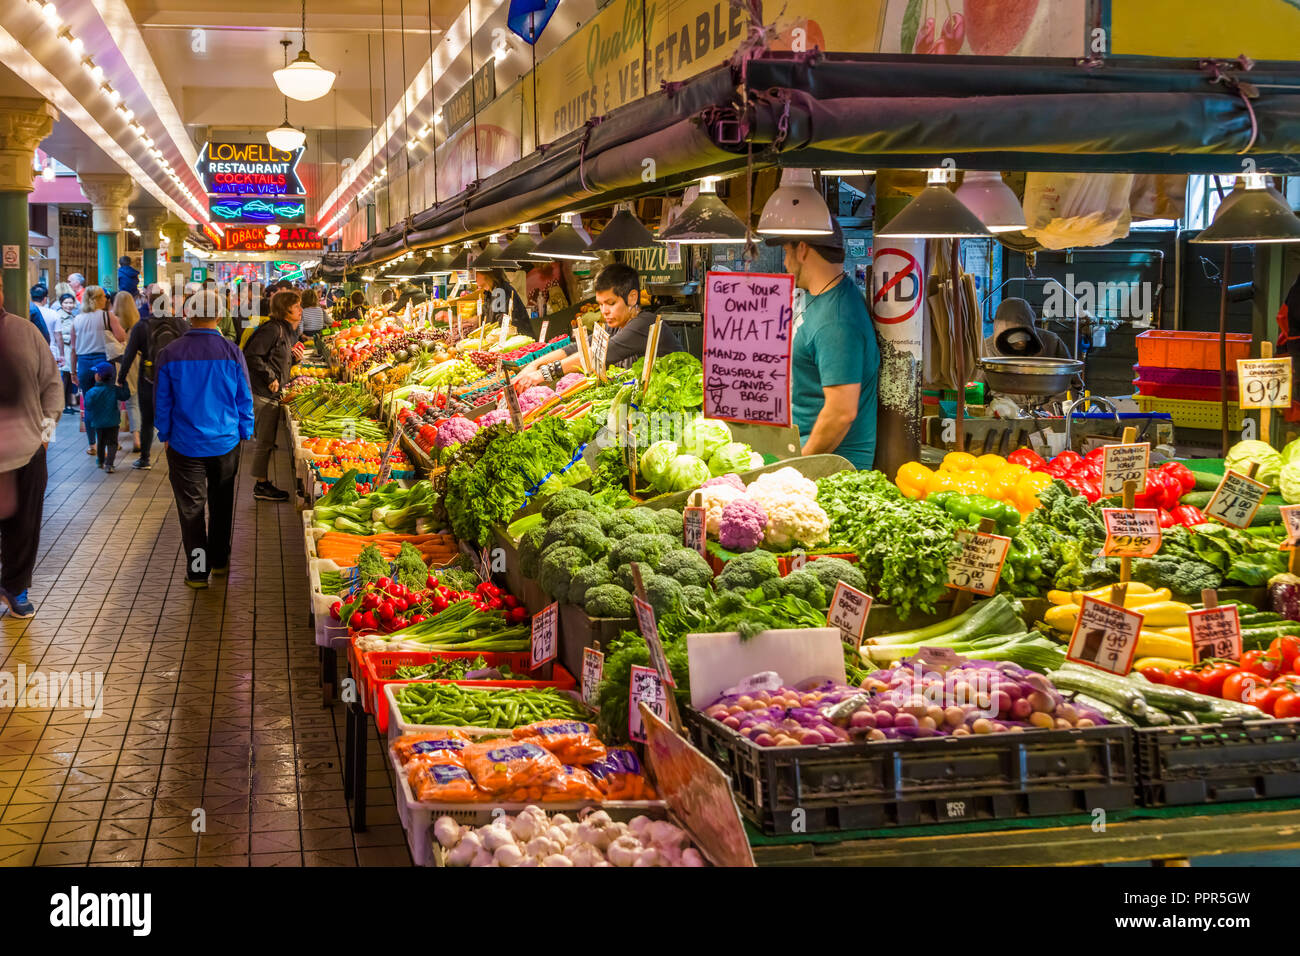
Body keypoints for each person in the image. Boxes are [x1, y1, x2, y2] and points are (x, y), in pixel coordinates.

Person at [155, 289, 254, 588]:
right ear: (220, 316)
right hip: (225, 443)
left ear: (188, 314)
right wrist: (244, 431)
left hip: (185, 445)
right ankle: (221, 562)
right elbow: (244, 397)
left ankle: (198, 572)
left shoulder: (169, 353)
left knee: (192, 510)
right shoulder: (232, 351)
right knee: (222, 504)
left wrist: (166, 433)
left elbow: (162, 402)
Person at [767, 221, 880, 469]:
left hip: (830, 471)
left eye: (787, 251)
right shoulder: (820, 296)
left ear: (803, 249)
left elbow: (841, 413)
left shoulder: (838, 320)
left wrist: (797, 467)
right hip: (801, 453)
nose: (785, 263)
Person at [514, 263, 682, 389]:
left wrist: (542, 374)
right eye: (601, 304)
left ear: (632, 298)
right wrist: (533, 365)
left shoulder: (644, 324)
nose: (604, 311)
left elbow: (596, 355)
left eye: (611, 303)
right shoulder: (617, 324)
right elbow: (579, 347)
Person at [0, 288, 62, 618]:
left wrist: (45, 438)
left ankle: (16, 587)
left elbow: (52, 386)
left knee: (25, 525)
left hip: (27, 451)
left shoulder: (25, 332)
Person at [242, 289, 301, 502]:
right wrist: (270, 377)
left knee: (267, 440)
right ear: (286, 309)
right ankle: (261, 484)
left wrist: (294, 360)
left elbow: (276, 359)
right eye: (296, 306)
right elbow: (252, 356)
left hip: (272, 393)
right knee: (265, 441)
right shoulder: (272, 329)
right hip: (264, 393)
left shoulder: (284, 330)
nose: (300, 310)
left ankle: (262, 482)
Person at [975, 297, 1073, 406]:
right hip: (1004, 414)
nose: (1020, 344)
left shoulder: (1051, 343)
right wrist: (992, 411)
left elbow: (1070, 383)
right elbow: (976, 390)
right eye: (1014, 342)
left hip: (1047, 413)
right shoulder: (987, 349)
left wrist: (1050, 409)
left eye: (1024, 340)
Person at [68, 286, 127, 456]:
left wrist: (73, 372)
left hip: (84, 364)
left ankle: (92, 445)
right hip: (103, 362)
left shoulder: (77, 319)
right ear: (100, 299)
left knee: (89, 405)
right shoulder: (107, 316)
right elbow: (121, 337)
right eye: (104, 297)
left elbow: (73, 349)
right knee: (109, 403)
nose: (106, 300)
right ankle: (110, 442)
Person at [84, 362, 129, 472]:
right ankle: (109, 464)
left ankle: (100, 461)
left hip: (98, 423)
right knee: (113, 443)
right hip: (113, 422)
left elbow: (87, 406)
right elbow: (125, 396)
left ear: (98, 376)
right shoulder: (114, 389)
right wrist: (125, 384)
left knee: (101, 442)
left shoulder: (91, 392)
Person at [114, 291, 142, 453]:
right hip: (135, 364)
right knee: (134, 404)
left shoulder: (112, 321)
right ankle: (137, 438)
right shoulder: (137, 323)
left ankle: (115, 439)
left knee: (115, 404)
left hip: (117, 363)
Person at [474, 268, 529, 334]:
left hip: (516, 337)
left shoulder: (501, 291)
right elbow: (484, 316)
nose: (474, 278)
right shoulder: (489, 292)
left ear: (487, 274)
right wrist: (468, 321)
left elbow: (501, 322)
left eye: (476, 274)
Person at [56, 292, 78, 412]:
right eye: (66, 303)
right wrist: (71, 337)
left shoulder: (73, 316)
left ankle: (69, 404)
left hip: (71, 350)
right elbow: (57, 334)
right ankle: (63, 405)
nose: (69, 305)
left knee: (70, 378)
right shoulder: (59, 316)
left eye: (71, 302)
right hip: (64, 350)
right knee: (64, 378)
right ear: (61, 303)